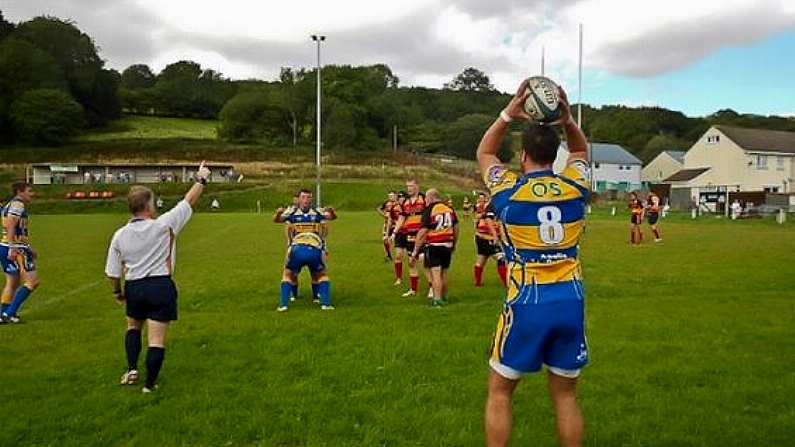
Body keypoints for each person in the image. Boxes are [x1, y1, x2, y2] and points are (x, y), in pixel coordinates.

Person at [478, 80, 590, 447]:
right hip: (570, 299)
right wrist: (569, 120)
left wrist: (509, 112)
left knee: (499, 392)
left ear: (523, 155)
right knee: (566, 396)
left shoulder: (510, 191)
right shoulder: (575, 187)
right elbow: (580, 153)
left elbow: (485, 153)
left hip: (528, 301)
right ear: (554, 155)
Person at [105, 162, 211, 393]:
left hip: (134, 286)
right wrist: (201, 178)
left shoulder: (119, 235)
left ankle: (132, 369)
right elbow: (188, 201)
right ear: (147, 205)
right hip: (160, 285)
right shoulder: (164, 225)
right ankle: (149, 386)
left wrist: (117, 292)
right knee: (156, 339)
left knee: (133, 326)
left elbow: (112, 272)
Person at [276, 189, 333, 311]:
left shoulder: (317, 212)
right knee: (321, 274)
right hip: (312, 248)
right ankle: (325, 303)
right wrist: (278, 214)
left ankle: (283, 305)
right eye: (304, 197)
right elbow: (279, 220)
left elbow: (330, 218)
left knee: (288, 274)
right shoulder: (292, 212)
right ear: (298, 199)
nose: (306, 200)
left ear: (311, 199)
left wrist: (331, 212)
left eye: (308, 197)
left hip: (298, 248)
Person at [411, 189, 458, 307]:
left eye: (426, 198)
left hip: (434, 245)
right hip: (448, 244)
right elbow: (456, 227)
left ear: (431, 198)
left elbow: (422, 232)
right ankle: (445, 296)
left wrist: (415, 251)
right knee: (444, 273)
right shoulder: (449, 209)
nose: (425, 201)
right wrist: (454, 243)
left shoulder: (429, 210)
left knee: (435, 273)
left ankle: (437, 299)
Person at [0, 183, 39, 323]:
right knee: (32, 281)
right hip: (15, 249)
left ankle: (2, 313)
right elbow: (11, 224)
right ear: (19, 192)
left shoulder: (9, 204)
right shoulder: (18, 205)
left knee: (12, 283)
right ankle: (9, 314)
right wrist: (13, 247)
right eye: (29, 191)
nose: (32, 193)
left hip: (4, 246)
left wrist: (28, 247)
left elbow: (16, 230)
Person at [391, 180, 427, 297]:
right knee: (411, 262)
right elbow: (401, 218)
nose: (409, 188)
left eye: (411, 186)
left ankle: (432, 287)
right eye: (407, 186)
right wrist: (394, 233)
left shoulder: (424, 199)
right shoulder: (405, 202)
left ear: (417, 186)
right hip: (410, 236)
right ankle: (413, 289)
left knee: (423, 260)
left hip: (422, 235)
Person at [474, 196, 507, 288]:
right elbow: (488, 220)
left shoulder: (488, 206)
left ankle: (478, 282)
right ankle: (507, 283)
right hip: (487, 237)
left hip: (480, 236)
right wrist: (495, 236)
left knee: (482, 258)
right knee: (501, 258)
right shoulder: (492, 206)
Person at [377, 192, 398, 262]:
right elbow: (379, 208)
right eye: (389, 196)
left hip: (397, 225)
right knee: (385, 240)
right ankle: (389, 255)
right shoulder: (386, 203)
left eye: (392, 196)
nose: (390, 197)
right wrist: (384, 215)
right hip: (387, 224)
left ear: (396, 196)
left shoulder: (399, 203)